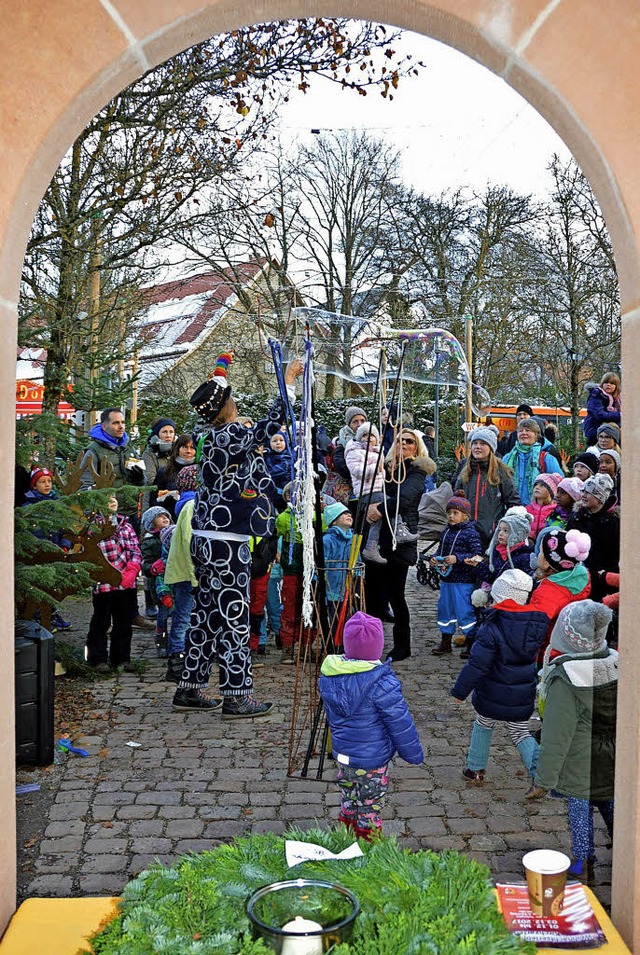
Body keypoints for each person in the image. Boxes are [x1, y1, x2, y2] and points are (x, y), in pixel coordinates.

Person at [172, 352, 304, 716]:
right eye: (230, 397)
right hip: (228, 539)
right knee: (233, 615)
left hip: (206, 535)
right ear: (226, 405)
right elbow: (271, 424)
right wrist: (288, 381)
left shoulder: (206, 434)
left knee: (207, 614)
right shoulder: (230, 432)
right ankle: (237, 693)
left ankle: (190, 688)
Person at [529, 600, 617, 883]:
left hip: (579, 760)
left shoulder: (565, 678)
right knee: (611, 803)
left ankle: (582, 864)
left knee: (580, 811)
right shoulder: (617, 663)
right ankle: (627, 852)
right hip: (613, 756)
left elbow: (556, 735)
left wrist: (544, 780)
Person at [318, 611, 423, 839]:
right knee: (370, 805)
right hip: (372, 761)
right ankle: (367, 849)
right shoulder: (383, 682)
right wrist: (413, 753)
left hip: (343, 756)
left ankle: (345, 839)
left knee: (349, 798)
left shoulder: (329, 677)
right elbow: (399, 722)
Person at [452, 569, 547, 789]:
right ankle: (542, 773)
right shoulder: (534, 623)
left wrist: (459, 691)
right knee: (520, 731)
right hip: (523, 690)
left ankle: (475, 769)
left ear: (499, 596)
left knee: (484, 722)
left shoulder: (492, 626)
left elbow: (477, 664)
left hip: (493, 690)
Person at [364, 428, 435, 662]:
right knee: (373, 595)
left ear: (417, 447)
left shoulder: (417, 471)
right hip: (378, 538)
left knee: (396, 594)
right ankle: (370, 644)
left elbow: (404, 499)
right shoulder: (385, 469)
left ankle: (402, 645)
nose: (404, 444)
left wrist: (378, 510)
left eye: (410, 441)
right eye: (400, 440)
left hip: (399, 540)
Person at [86, 494, 142, 673]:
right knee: (101, 621)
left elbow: (134, 548)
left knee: (123, 622)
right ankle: (97, 658)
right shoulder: (93, 526)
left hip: (125, 583)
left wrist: (132, 570)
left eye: (114, 498)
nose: (112, 501)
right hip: (104, 583)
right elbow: (92, 553)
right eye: (106, 498)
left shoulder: (126, 525)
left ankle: (122, 658)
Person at [430, 490, 483, 656]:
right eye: (449, 513)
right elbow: (441, 549)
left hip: (463, 581)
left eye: (455, 513)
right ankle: (445, 640)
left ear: (464, 515)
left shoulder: (470, 533)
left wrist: (458, 558)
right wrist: (434, 558)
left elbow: (477, 554)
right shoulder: (445, 531)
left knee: (465, 611)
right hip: (447, 580)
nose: (451, 516)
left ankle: (471, 641)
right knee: (445, 610)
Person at [454, 424, 520, 548]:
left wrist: (504, 528)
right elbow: (456, 500)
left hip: (491, 536)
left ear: (491, 447)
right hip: (465, 534)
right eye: (475, 443)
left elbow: (513, 502)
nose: (477, 447)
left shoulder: (501, 472)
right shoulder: (465, 471)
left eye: (483, 443)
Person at [567, 473, 620, 601]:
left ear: (600, 498)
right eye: (583, 491)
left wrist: (606, 572)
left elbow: (615, 551)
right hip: (579, 571)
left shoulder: (612, 522)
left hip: (602, 574)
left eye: (589, 492)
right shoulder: (577, 516)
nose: (584, 495)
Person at [163, 493, 197, 683]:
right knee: (183, 618)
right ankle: (177, 663)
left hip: (187, 572)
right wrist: (195, 575)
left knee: (186, 617)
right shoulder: (192, 506)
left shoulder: (190, 505)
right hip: (187, 573)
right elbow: (189, 542)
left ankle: (186, 658)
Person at [344, 422, 385, 563]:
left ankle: (372, 545)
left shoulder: (378, 452)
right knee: (385, 508)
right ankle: (372, 546)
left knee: (378, 518)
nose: (368, 438)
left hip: (378, 489)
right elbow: (357, 471)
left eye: (371, 435)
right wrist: (376, 467)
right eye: (364, 435)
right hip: (367, 491)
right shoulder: (355, 453)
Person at [501, 417, 563, 506]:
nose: (524, 433)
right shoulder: (507, 458)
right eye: (520, 431)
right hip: (511, 509)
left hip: (539, 510)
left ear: (536, 435)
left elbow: (559, 482)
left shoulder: (546, 458)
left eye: (528, 430)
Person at [80, 408, 143, 490]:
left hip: (132, 501)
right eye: (116, 423)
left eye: (123, 422)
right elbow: (84, 488)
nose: (121, 427)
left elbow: (143, 484)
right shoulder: (93, 451)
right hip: (108, 501)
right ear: (104, 426)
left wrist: (140, 478)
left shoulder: (129, 447)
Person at [141, 506, 174, 657]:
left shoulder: (173, 535)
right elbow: (145, 565)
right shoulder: (149, 542)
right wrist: (153, 568)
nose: (164, 518)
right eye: (159, 517)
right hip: (160, 584)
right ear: (151, 523)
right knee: (163, 615)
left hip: (175, 579)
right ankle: (161, 642)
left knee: (178, 613)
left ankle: (175, 642)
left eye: (165, 515)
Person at [322, 501, 359, 629]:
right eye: (343, 514)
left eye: (349, 514)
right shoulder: (328, 540)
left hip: (348, 587)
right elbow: (323, 561)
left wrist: (358, 576)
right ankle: (335, 645)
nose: (349, 515)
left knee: (347, 618)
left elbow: (357, 560)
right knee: (334, 619)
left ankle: (345, 643)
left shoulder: (353, 539)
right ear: (333, 521)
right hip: (331, 588)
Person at [154, 434, 197, 519]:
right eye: (185, 447)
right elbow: (153, 498)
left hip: (194, 517)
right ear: (177, 449)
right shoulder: (165, 471)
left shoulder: (201, 470)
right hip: (170, 519)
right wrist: (164, 502)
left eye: (192, 448)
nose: (188, 451)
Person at [141, 417, 176, 510]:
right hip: (156, 498)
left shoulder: (178, 451)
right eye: (164, 432)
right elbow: (150, 480)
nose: (168, 435)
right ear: (157, 434)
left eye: (171, 432)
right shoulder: (149, 454)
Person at [583, 373, 621, 446]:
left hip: (610, 432)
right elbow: (600, 415)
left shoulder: (617, 399)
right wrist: (620, 415)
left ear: (616, 386)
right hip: (595, 431)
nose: (608, 385)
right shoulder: (596, 396)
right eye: (606, 382)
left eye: (612, 383)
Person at [525, 473, 563, 542]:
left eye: (542, 485)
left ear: (551, 491)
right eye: (536, 484)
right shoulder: (527, 510)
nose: (537, 487)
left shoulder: (555, 511)